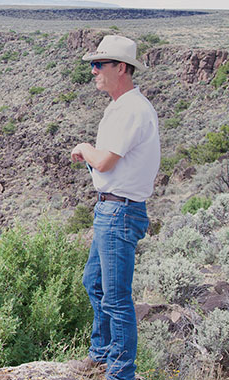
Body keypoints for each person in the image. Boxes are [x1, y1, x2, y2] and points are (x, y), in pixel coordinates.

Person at [68, 35, 160, 380]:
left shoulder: (131, 110)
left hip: (119, 212)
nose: (93, 71)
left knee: (116, 297)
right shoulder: (123, 107)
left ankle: (121, 372)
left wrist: (84, 148)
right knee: (94, 282)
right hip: (112, 209)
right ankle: (102, 354)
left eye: (98, 65)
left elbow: (105, 162)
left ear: (120, 68)